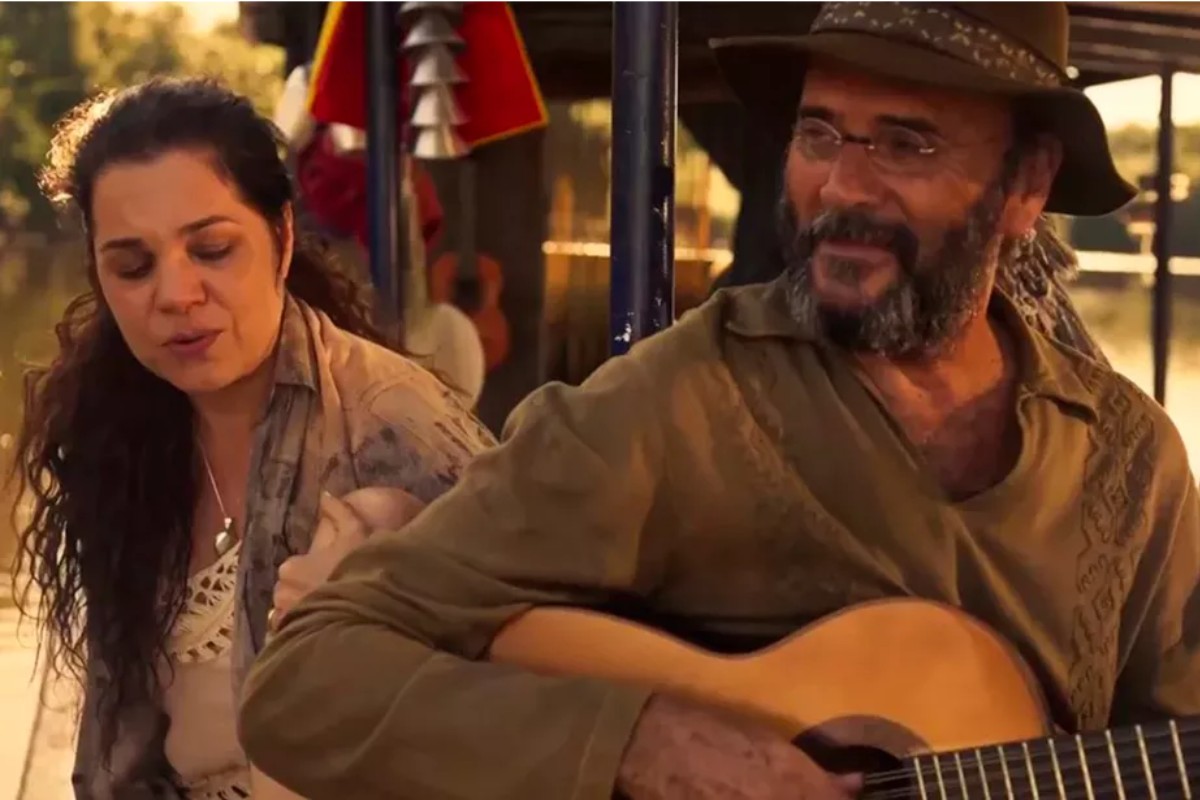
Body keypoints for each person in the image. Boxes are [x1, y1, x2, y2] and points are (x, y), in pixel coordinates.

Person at [240, 3, 1200, 798]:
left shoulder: (1131, 461)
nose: (840, 185)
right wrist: (640, 743)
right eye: (819, 131)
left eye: (906, 143)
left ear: (1026, 184)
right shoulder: (674, 403)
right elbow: (307, 678)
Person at [9, 77, 495, 798]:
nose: (174, 294)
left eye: (210, 250)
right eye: (133, 266)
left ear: (283, 237)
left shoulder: (394, 427)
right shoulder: (121, 425)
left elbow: (520, 711)